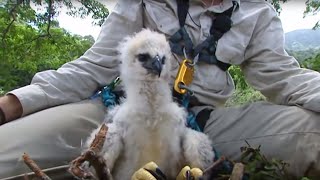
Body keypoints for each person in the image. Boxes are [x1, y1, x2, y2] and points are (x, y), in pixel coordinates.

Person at [0, 0, 319, 179]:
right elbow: (93, 66)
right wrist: (11, 104)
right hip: (117, 113)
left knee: (312, 130)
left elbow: (284, 78)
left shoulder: (258, 13)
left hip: (199, 124)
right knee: (6, 151)